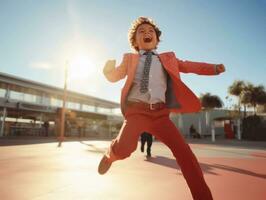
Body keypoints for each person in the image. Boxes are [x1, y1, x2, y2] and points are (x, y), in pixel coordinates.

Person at [98, 16, 225, 200]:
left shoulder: (168, 58)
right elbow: (115, 76)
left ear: (157, 39)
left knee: (186, 155)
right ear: (134, 41)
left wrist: (213, 68)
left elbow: (189, 66)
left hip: (160, 115)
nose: (147, 33)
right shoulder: (130, 59)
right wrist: (108, 71)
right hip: (136, 112)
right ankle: (110, 156)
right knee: (124, 148)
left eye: (151, 31)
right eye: (141, 31)